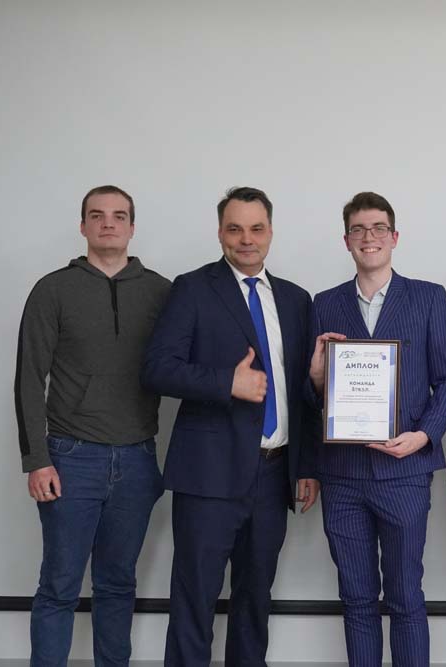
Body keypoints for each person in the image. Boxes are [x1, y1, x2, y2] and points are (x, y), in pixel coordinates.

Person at [141, 186, 320, 666]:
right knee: (194, 601)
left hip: (274, 475)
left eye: (256, 228)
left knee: (254, 602)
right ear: (220, 232)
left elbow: (299, 393)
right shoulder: (193, 289)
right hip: (208, 475)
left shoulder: (296, 299)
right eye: (235, 229)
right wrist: (227, 382)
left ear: (271, 232)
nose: (246, 239)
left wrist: (305, 465)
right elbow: (157, 369)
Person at [307, 191, 446, 667]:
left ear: (394, 237)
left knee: (404, 596)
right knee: (356, 599)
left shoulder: (429, 298)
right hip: (343, 475)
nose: (368, 237)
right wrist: (316, 377)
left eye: (378, 228)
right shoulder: (324, 304)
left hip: (405, 472)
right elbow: (315, 397)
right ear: (346, 241)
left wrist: (424, 435)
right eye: (358, 229)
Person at [15, 185, 170, 666]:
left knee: (118, 584)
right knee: (59, 585)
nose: (108, 223)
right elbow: (29, 378)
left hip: (138, 458)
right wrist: (36, 460)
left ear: (132, 227)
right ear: (82, 226)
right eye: (97, 215)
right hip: (70, 459)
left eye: (119, 216)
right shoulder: (53, 290)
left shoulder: (161, 292)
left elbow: (186, 364)